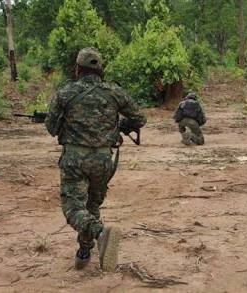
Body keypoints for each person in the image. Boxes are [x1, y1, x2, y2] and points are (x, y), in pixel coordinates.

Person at [45, 48, 146, 271]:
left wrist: (65, 122)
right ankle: (84, 252)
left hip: (75, 160)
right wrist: (121, 127)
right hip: (103, 160)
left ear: (78, 69)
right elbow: (139, 118)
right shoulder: (114, 92)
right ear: (100, 70)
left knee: (73, 208)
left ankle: (100, 233)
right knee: (91, 206)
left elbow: (51, 128)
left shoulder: (66, 93)